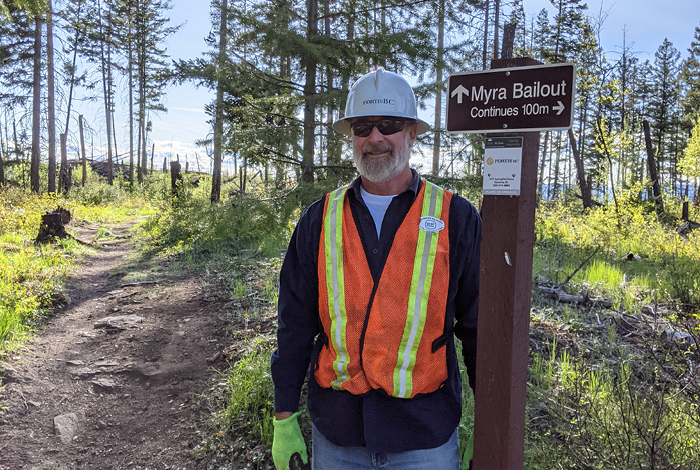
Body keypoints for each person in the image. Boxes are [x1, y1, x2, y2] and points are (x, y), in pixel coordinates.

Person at [270, 67, 481, 470]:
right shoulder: (320, 220)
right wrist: (283, 416)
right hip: (338, 437)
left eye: (389, 124)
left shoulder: (456, 218)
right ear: (351, 135)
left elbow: (477, 327)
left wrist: (488, 423)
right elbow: (294, 322)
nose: (376, 137)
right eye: (364, 126)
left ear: (411, 133)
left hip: (424, 440)